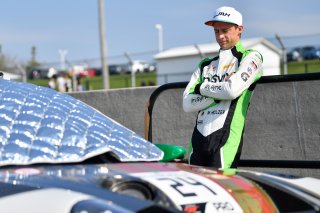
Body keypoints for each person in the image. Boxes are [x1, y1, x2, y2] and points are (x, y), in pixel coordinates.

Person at [183, 6, 263, 169]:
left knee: (222, 189)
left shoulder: (251, 57)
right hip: (198, 141)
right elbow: (187, 104)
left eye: (225, 30)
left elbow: (232, 90)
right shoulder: (205, 64)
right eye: (216, 31)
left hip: (226, 140)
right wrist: (220, 92)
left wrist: (202, 87)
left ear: (239, 29)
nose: (220, 36)